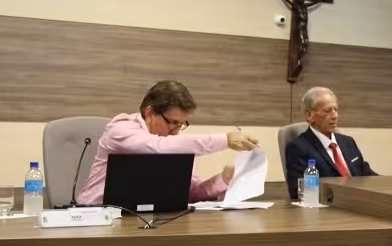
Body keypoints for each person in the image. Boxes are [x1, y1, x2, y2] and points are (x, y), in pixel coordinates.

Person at [77, 80, 259, 205]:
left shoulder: (170, 144)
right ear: (150, 112)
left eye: (181, 124)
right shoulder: (121, 129)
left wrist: (223, 179)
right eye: (172, 123)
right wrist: (225, 140)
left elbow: (192, 193)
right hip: (96, 216)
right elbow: (155, 147)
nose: (176, 131)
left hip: (144, 220)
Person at [285, 87, 376, 198]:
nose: (335, 116)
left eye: (336, 110)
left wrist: (391, 184)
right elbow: (300, 191)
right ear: (309, 115)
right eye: (327, 111)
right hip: (331, 205)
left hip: (361, 201)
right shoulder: (298, 148)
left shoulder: (348, 142)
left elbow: (367, 174)